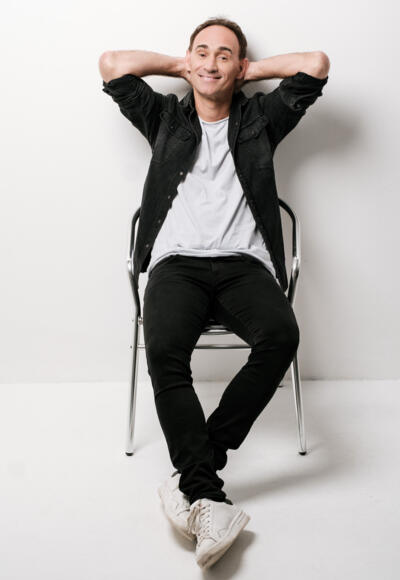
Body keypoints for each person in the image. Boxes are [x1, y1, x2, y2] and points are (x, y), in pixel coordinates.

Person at [99, 16, 329, 569]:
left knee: (281, 336)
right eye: (201, 52)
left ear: (240, 66)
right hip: (176, 265)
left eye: (224, 54)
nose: (210, 62)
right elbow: (111, 66)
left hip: (244, 265)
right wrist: (183, 66)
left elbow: (316, 65)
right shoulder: (163, 117)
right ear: (187, 60)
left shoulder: (261, 120)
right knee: (163, 350)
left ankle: (195, 473)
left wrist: (247, 71)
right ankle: (207, 494)